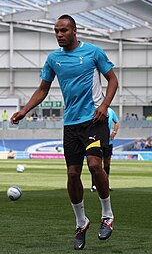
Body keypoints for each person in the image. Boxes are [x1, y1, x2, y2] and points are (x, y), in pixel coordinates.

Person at [10, 15, 118, 250]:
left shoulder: (93, 52)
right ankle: (82, 222)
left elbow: (112, 80)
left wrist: (104, 106)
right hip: (71, 124)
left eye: (63, 31)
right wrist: (24, 111)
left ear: (74, 31)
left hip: (94, 119)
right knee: (72, 174)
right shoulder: (53, 59)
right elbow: (42, 89)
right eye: (56, 31)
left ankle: (107, 215)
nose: (59, 35)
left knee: (95, 165)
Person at [91, 107, 119, 192]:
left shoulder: (110, 111)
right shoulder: (93, 110)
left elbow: (116, 122)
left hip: (108, 141)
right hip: (96, 141)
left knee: (107, 163)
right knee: (95, 163)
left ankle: (106, 183)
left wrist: (114, 132)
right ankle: (94, 185)